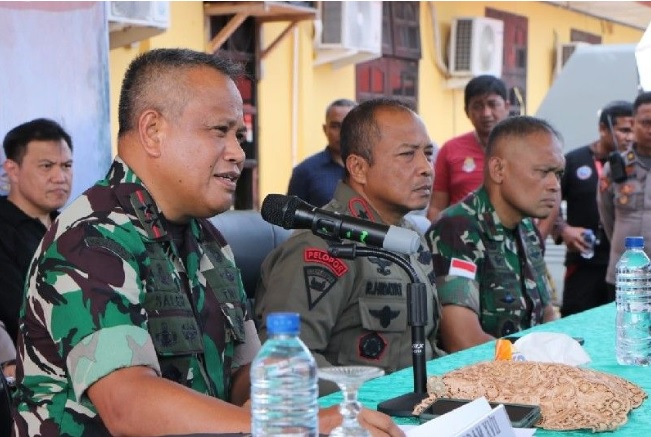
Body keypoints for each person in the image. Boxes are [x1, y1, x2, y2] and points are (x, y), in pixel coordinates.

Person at [12, 49, 402, 437]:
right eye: (220, 131)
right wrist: (285, 422)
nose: (237, 153)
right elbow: (127, 404)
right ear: (152, 131)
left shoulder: (208, 240)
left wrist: (275, 399)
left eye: (240, 136)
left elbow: (245, 372)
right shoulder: (92, 237)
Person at [255, 97, 443, 396]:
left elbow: (425, 350)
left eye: (428, 154)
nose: (426, 168)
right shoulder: (320, 247)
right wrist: (376, 396)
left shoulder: (410, 239)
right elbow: (288, 366)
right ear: (358, 167)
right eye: (407, 155)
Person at [426, 116, 562, 353]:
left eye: (558, 174)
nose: (554, 185)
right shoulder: (457, 230)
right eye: (543, 172)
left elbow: (547, 313)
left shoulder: (528, 230)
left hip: (527, 378)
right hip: (473, 384)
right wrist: (533, 365)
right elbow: (463, 341)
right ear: (498, 170)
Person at [541, 101, 633, 317]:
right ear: (603, 129)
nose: (629, 137)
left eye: (633, 130)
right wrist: (563, 230)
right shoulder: (574, 160)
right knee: (575, 322)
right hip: (583, 262)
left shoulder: (636, 165)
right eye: (623, 130)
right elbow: (547, 201)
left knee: (619, 324)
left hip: (625, 264)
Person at [0, 118, 73, 352]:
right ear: (12, 170)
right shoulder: (4, 230)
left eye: (66, 166)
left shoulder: (76, 227)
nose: (60, 177)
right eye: (46, 166)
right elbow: (17, 313)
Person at [427, 75, 510, 222]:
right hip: (461, 239)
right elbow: (436, 208)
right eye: (477, 106)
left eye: (492, 104)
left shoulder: (524, 150)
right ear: (466, 111)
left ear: (507, 107)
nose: (486, 113)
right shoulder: (450, 150)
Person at [598, 92, 651, 295]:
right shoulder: (615, 167)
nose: (650, 129)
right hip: (625, 273)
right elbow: (606, 214)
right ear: (633, 122)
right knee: (624, 325)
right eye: (646, 122)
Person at [287, 98, 357, 207]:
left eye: (348, 125)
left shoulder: (373, 169)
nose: (342, 132)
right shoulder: (304, 172)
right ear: (325, 129)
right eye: (335, 126)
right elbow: (290, 219)